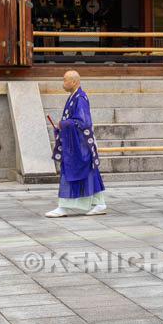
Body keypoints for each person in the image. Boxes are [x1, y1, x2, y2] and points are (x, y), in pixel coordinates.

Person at [46, 70, 107, 217]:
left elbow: (83, 122)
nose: (63, 83)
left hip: (80, 145)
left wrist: (64, 124)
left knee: (79, 172)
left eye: (65, 80)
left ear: (74, 82)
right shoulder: (74, 97)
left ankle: (63, 207)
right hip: (75, 143)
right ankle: (99, 204)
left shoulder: (80, 98)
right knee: (89, 172)